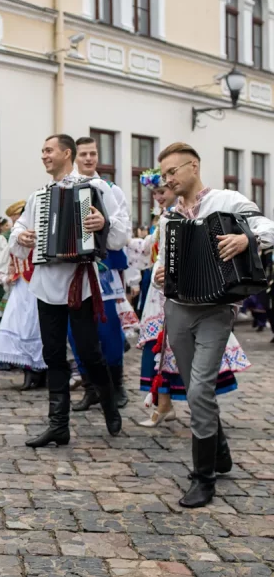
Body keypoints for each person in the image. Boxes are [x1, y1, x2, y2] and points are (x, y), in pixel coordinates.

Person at [152, 142, 274, 508]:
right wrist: (161, 275)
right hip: (177, 308)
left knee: (200, 389)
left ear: (193, 167)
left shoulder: (228, 201)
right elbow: (164, 266)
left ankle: (203, 478)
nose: (168, 179)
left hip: (217, 309)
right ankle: (219, 453)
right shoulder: (167, 217)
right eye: (164, 175)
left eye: (172, 172)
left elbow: (269, 230)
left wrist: (245, 239)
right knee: (194, 389)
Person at [10, 134, 130, 448]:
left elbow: (121, 230)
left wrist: (102, 221)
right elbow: (20, 226)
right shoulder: (39, 195)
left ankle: (109, 405)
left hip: (79, 283)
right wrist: (22, 236)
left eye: (48, 150)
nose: (44, 156)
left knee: (90, 353)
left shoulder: (97, 189)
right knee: (53, 355)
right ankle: (58, 425)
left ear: (67, 153)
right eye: (42, 150)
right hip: (46, 283)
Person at [137, 170, 249, 427]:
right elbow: (153, 256)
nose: (159, 196)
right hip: (160, 291)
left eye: (163, 191)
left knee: (192, 355)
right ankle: (164, 405)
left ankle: (204, 412)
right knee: (159, 348)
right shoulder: (164, 220)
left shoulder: (182, 215)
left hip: (192, 296)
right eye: (156, 193)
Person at [68, 136, 131, 412]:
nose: (89, 159)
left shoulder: (111, 190)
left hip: (103, 267)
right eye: (84, 154)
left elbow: (122, 234)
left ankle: (116, 385)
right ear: (74, 156)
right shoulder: (63, 186)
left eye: (93, 153)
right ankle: (90, 387)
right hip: (71, 268)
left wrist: (105, 223)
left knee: (107, 328)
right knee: (75, 330)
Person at [0, 201, 47, 390]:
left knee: (36, 329)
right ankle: (29, 372)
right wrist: (8, 277)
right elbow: (3, 264)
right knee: (21, 328)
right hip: (21, 288)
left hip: (39, 288)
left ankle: (39, 372)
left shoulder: (44, 235)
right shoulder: (14, 237)